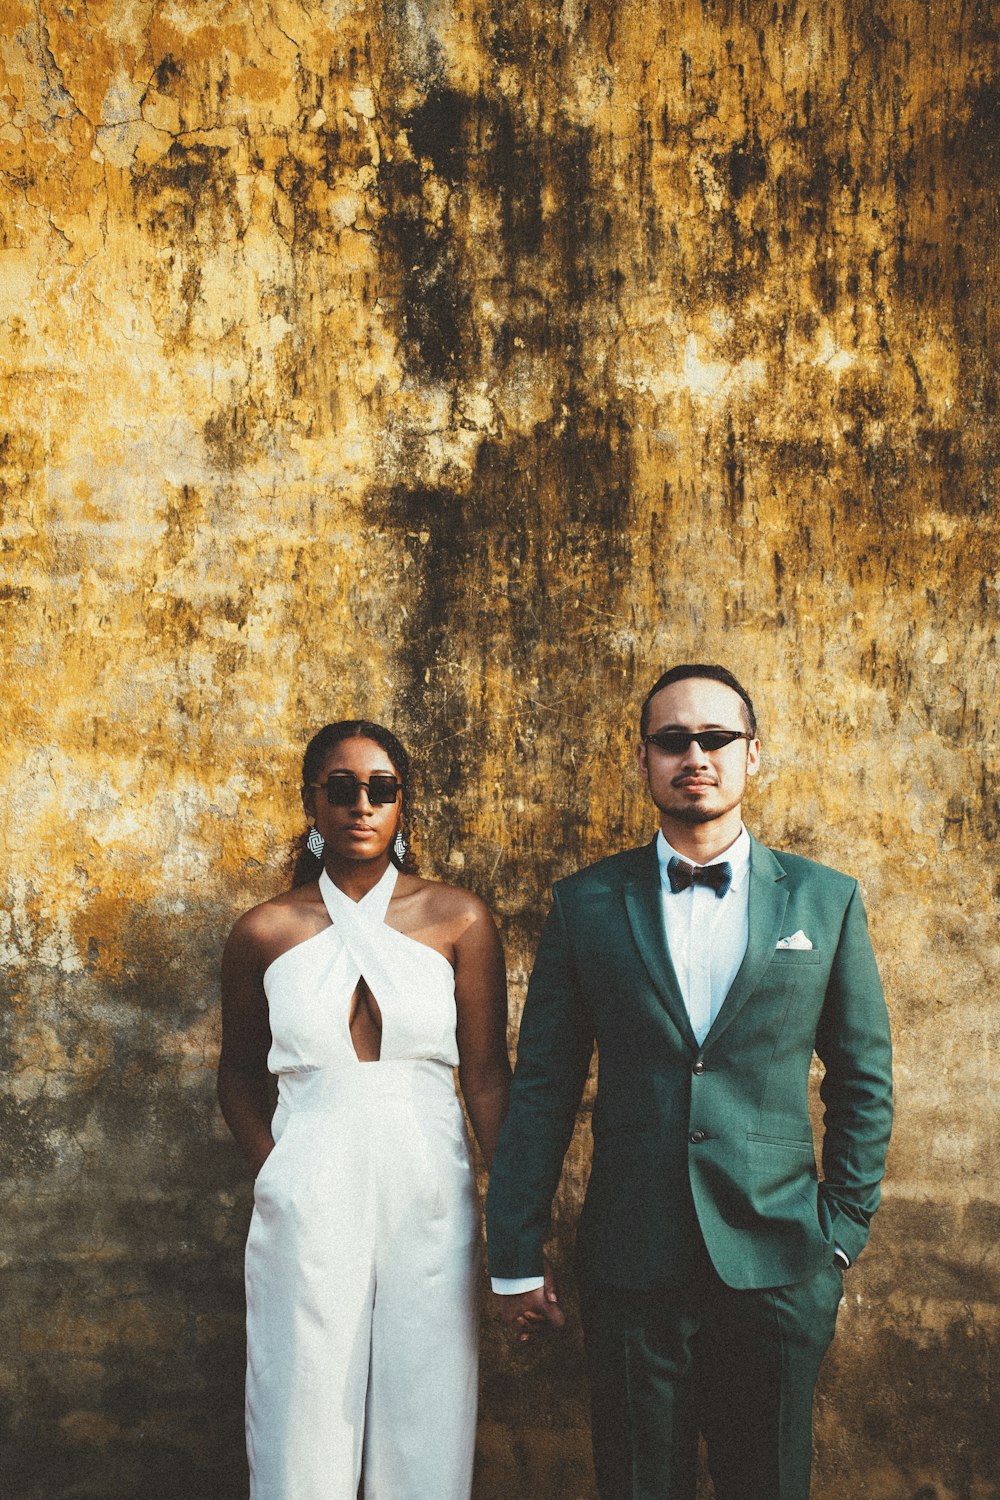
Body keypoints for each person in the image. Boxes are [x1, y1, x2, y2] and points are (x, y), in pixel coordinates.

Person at [485, 665, 893, 1500]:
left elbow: (862, 1077)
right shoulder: (587, 904)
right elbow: (543, 1090)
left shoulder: (825, 899)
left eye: (716, 738)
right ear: (645, 761)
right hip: (633, 1263)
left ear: (753, 755)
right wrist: (515, 1255)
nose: (695, 755)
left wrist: (840, 1228)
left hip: (781, 1260)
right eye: (673, 740)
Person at [218, 720, 510, 1500]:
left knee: (428, 1399)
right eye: (340, 788)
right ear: (312, 802)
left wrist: (516, 1217)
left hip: (428, 1182)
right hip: (308, 1185)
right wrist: (277, 1171)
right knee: (302, 1403)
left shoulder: (459, 920)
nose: (361, 805)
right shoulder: (265, 931)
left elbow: (485, 1078)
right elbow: (240, 1076)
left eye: (381, 789)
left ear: (403, 804)